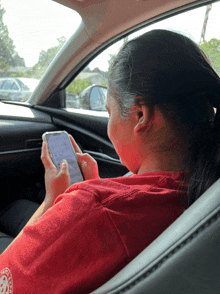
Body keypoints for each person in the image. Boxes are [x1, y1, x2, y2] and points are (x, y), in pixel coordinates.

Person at [0, 29, 219, 293]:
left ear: (140, 114)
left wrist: (54, 201)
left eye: (109, 112)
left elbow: (5, 280)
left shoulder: (97, 208)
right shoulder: (207, 187)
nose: (109, 123)